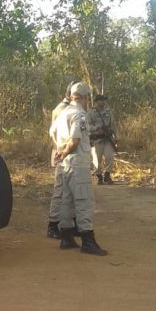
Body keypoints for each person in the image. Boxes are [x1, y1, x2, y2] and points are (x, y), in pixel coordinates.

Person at [53, 82, 107, 255]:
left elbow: (51, 132)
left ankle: (66, 237)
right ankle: (87, 240)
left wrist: (59, 151)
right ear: (85, 98)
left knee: (66, 200)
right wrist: (65, 151)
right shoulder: (79, 115)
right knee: (84, 201)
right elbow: (75, 141)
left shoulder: (63, 113)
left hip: (65, 165)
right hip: (78, 163)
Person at [46, 81, 77, 239]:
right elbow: (54, 133)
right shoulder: (62, 109)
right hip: (63, 154)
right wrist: (60, 152)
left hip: (69, 154)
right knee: (60, 190)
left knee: (71, 191)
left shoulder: (68, 108)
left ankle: (71, 223)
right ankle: (53, 224)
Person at [87, 94, 117, 184]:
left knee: (109, 156)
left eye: (104, 100)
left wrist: (116, 136)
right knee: (96, 159)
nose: (104, 102)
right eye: (102, 100)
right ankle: (99, 176)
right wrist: (97, 128)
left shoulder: (108, 112)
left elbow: (113, 124)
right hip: (96, 139)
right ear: (97, 101)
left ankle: (107, 175)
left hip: (107, 139)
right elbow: (87, 126)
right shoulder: (91, 112)